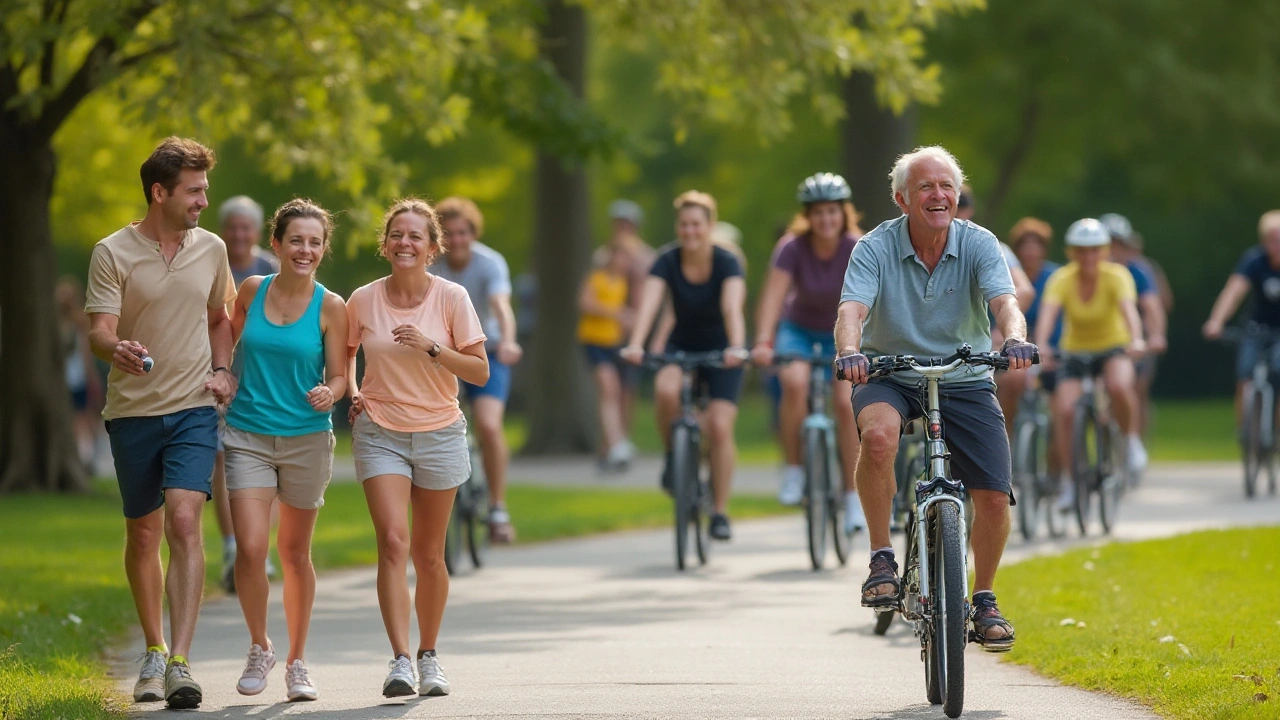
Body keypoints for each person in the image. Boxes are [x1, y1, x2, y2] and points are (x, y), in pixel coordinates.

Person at [834, 146, 1034, 651]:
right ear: (902, 198)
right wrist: (851, 352)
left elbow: (1005, 303)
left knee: (991, 493)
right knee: (878, 438)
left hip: (963, 375)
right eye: (925, 187)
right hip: (888, 370)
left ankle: (984, 598)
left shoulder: (979, 244)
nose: (939, 195)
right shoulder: (874, 247)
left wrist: (1012, 338)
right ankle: (882, 558)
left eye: (947, 186)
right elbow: (852, 311)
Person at [85, 137, 236, 708]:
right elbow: (99, 330)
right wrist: (114, 347)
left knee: (183, 519)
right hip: (132, 411)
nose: (203, 200)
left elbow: (219, 318)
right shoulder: (112, 252)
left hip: (194, 406)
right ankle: (151, 648)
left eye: (204, 189)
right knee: (143, 532)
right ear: (159, 192)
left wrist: (223, 370)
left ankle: (180, 662)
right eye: (194, 190)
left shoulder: (212, 248)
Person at [347, 198, 489, 698]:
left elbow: (479, 370)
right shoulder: (363, 299)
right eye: (396, 235)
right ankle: (400, 660)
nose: (404, 243)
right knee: (392, 542)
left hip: (439, 431)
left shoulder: (452, 297)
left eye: (415, 236)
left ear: (432, 248)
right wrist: (351, 387)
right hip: (380, 429)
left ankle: (430, 655)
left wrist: (432, 346)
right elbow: (343, 351)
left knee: (429, 555)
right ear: (385, 244)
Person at [223, 199, 347, 702]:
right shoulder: (251, 290)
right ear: (274, 245)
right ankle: (260, 646)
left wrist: (332, 392)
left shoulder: (331, 306)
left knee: (294, 553)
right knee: (250, 548)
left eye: (315, 242)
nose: (306, 249)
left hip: (306, 438)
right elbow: (227, 346)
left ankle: (297, 660)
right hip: (248, 433)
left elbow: (340, 373)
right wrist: (224, 376)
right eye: (296, 240)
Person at [621, 191, 749, 541]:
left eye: (697, 224)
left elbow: (732, 309)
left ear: (709, 226)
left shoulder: (727, 262)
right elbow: (649, 305)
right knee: (665, 389)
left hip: (723, 349)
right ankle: (672, 456)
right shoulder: (666, 260)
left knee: (720, 427)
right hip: (681, 344)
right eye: (684, 224)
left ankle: (719, 511)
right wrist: (636, 343)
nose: (690, 231)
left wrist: (737, 346)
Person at [751, 173, 866, 534]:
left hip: (842, 334)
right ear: (808, 216)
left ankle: (852, 498)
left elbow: (871, 297)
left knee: (847, 405)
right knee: (794, 383)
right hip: (798, 331)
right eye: (817, 212)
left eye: (832, 211)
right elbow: (772, 297)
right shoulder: (791, 247)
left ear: (842, 213)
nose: (825, 219)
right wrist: (763, 341)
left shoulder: (856, 246)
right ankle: (794, 469)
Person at [1034, 218, 1147, 511]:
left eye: (1095, 250)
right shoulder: (1062, 278)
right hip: (1075, 350)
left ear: (1106, 251)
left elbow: (1129, 311)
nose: (1088, 257)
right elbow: (1049, 314)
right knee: (1066, 410)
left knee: (1118, 385)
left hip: (1113, 346)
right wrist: (1043, 344)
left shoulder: (1117, 276)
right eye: (1082, 250)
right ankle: (1071, 483)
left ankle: (1131, 441)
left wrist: (1136, 339)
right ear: (1072, 252)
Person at [429, 197, 520, 543]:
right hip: (443, 354)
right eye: (449, 233)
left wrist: (509, 341)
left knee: (488, 424)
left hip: (489, 352)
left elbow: (501, 306)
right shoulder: (431, 265)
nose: (457, 240)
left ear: (473, 232)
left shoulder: (490, 263)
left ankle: (497, 507)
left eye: (463, 232)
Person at [213, 195, 282, 594]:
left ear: (257, 233)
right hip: (221, 375)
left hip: (263, 379)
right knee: (223, 460)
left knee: (271, 464)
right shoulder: (214, 265)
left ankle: (258, 550)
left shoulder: (269, 269)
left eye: (246, 227)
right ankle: (230, 547)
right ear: (225, 230)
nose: (239, 234)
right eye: (233, 226)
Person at [1203, 210, 1280, 425]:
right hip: (1256, 327)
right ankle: (1246, 431)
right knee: (1245, 378)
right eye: (1274, 240)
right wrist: (1216, 321)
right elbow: (1234, 292)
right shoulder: (1254, 260)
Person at [1100, 213, 1168, 438]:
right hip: (1097, 339)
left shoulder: (1139, 271)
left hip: (1133, 340)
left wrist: (1156, 335)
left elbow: (1152, 307)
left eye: (1116, 245)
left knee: (1135, 389)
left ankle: (1134, 440)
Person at [995, 218, 1062, 435]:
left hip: (1049, 347)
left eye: (1036, 246)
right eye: (1025, 246)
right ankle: (1008, 433)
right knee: (1012, 381)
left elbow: (1052, 317)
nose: (1031, 252)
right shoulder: (1005, 277)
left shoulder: (1054, 278)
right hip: (1015, 348)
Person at [577, 244, 634, 471]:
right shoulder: (597, 278)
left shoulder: (622, 282)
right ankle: (617, 444)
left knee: (618, 393)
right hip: (594, 341)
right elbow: (585, 303)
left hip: (615, 343)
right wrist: (617, 313)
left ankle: (607, 447)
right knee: (608, 388)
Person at [58, 276, 103, 472]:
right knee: (77, 418)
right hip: (66, 378)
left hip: (76, 377)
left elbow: (85, 352)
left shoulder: (78, 322)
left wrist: (91, 376)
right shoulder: (56, 324)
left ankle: (85, 456)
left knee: (82, 418)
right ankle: (82, 455)